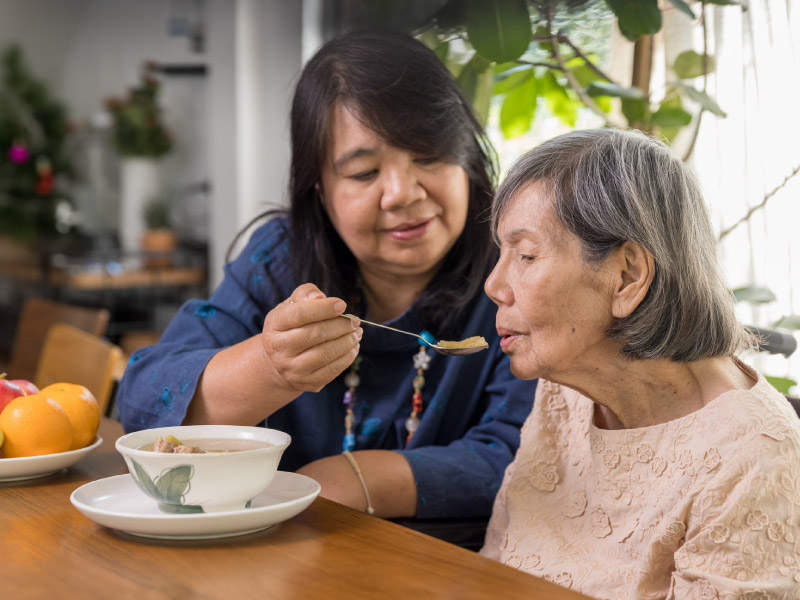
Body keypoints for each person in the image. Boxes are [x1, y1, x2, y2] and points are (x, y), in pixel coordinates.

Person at [116, 28, 535, 523]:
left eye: (428, 155)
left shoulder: (519, 274)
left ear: (467, 157)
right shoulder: (279, 260)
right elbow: (143, 403)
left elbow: (524, 454)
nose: (401, 192)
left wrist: (352, 479)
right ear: (318, 187)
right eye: (363, 173)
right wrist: (270, 367)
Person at [479, 129, 800, 597]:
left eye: (526, 254)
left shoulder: (753, 456)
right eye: (501, 253)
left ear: (627, 275)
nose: (493, 284)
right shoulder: (566, 391)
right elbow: (493, 570)